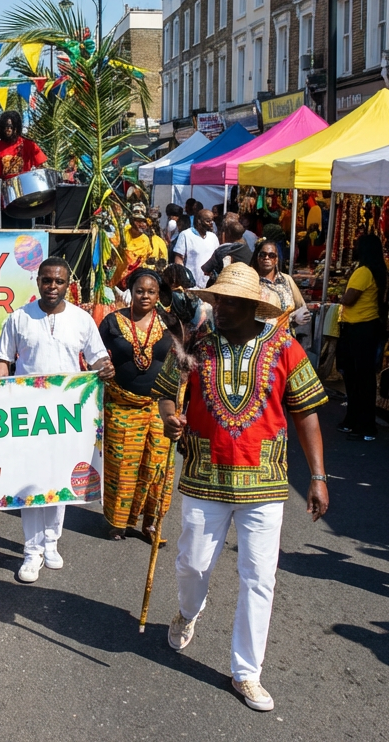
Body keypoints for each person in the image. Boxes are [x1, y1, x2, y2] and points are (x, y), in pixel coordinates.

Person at [156, 263, 328, 713]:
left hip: (265, 482)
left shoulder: (285, 347)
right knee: (192, 565)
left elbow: (306, 411)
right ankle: (188, 611)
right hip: (204, 476)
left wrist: (317, 476)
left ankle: (247, 672)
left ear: (253, 306)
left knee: (259, 578)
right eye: (217, 300)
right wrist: (170, 417)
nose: (220, 308)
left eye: (230, 302)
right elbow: (166, 391)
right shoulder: (196, 345)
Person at [0, 257, 114, 580]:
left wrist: (105, 368)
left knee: (59, 478)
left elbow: (97, 359)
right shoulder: (19, 318)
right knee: (31, 480)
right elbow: (3, 360)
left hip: (66, 419)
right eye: (46, 280)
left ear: (67, 285)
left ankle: (51, 543)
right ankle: (31, 551)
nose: (52, 287)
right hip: (28, 417)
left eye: (59, 281)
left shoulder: (81, 320)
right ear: (38, 282)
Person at [98, 268, 174, 541]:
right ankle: (118, 522)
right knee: (123, 467)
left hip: (160, 407)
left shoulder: (169, 323)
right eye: (139, 290)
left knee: (157, 468)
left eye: (151, 292)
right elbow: (94, 354)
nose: (145, 296)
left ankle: (151, 523)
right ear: (131, 291)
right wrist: (101, 366)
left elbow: (182, 358)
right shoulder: (112, 322)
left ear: (158, 295)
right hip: (122, 406)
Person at [336, 233, 387, 442]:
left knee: (356, 378)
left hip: (358, 329)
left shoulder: (363, 271)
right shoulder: (378, 271)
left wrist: (341, 296)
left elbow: (348, 298)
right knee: (361, 378)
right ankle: (356, 421)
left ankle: (363, 424)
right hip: (367, 328)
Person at [251, 238, 308, 334]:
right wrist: (291, 318)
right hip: (260, 337)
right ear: (257, 257)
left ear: (276, 259)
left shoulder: (286, 279)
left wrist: (299, 316)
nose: (266, 258)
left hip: (286, 337)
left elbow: (301, 307)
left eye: (271, 255)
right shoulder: (252, 281)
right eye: (263, 254)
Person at [111, 203, 168, 286]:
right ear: (131, 221)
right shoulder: (123, 232)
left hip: (134, 280)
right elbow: (113, 250)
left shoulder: (146, 240)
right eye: (138, 220)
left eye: (144, 221)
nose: (142, 224)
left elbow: (145, 261)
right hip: (116, 277)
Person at [0, 110, 48, 180]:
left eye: (10, 126)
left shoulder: (29, 145)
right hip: (5, 185)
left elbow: (42, 168)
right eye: (5, 127)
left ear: (17, 127)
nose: (8, 130)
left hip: (26, 184)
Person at [172, 207, 219, 288]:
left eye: (212, 220)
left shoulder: (213, 237)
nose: (211, 223)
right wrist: (183, 280)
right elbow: (179, 259)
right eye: (208, 221)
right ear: (199, 221)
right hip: (191, 286)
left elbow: (217, 259)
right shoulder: (186, 235)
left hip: (209, 286)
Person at [201, 216, 254, 285]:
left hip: (223, 285)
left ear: (228, 233)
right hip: (243, 284)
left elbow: (206, 270)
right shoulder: (249, 250)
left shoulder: (222, 251)